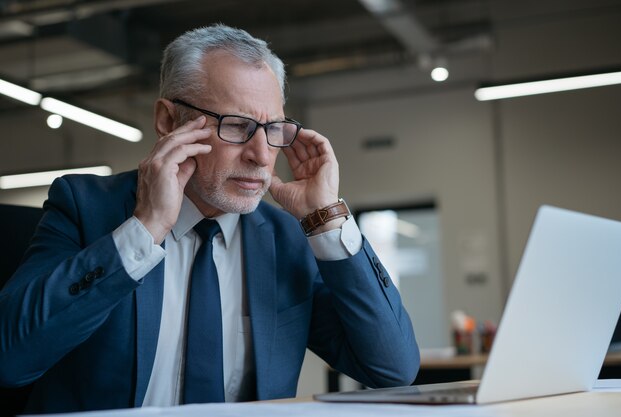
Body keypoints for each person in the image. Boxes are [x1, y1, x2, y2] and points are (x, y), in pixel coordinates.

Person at [0, 24, 419, 414]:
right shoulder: (84, 206)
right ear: (168, 121)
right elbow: (11, 358)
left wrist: (326, 221)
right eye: (237, 126)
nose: (260, 154)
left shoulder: (286, 239)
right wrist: (144, 229)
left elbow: (391, 369)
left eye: (273, 128)